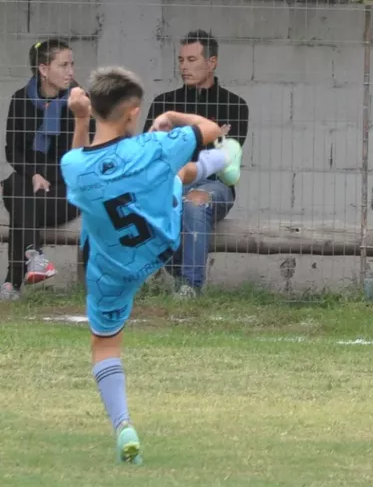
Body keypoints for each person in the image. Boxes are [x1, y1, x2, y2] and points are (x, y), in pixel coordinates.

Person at [60, 67, 240, 464]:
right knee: (169, 174)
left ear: (95, 106)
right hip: (160, 244)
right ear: (133, 112)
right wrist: (173, 118)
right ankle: (224, 160)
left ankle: (123, 426)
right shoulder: (153, 145)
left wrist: (80, 119)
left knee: (105, 345)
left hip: (111, 267)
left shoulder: (72, 165)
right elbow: (209, 126)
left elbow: (79, 156)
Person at [144, 30, 248, 298]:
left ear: (211, 62)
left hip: (214, 186)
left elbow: (223, 160)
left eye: (192, 59)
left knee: (195, 200)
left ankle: (190, 287)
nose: (184, 66)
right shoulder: (163, 102)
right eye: (181, 60)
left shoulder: (235, 105)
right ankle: (176, 274)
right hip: (170, 182)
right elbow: (151, 153)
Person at [1, 39, 91, 301]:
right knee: (17, 184)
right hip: (30, 188)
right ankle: (34, 255)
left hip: (66, 191)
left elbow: (79, 157)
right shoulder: (20, 99)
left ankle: (12, 282)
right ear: (43, 69)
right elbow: (12, 151)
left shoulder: (80, 102)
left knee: (18, 198)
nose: (70, 72)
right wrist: (33, 175)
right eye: (63, 65)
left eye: (71, 64)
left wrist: (42, 175)